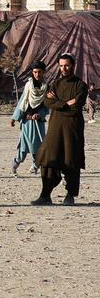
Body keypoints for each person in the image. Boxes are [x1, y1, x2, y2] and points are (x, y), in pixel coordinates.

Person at [33, 54, 88, 206]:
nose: (64, 68)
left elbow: (76, 105)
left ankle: (70, 195)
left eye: (67, 65)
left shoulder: (80, 85)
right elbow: (47, 101)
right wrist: (64, 103)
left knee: (71, 160)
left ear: (73, 66)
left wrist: (57, 102)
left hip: (72, 128)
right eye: (61, 66)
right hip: (55, 127)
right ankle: (45, 195)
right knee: (47, 158)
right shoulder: (56, 84)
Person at [10, 60, 49, 176]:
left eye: (39, 72)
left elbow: (47, 106)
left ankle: (35, 166)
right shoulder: (28, 86)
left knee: (38, 145)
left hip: (39, 122)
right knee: (24, 146)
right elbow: (22, 102)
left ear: (43, 72)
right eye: (35, 72)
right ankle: (16, 162)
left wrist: (40, 114)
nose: (37, 74)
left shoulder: (46, 88)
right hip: (27, 121)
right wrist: (14, 118)